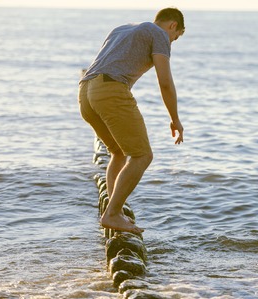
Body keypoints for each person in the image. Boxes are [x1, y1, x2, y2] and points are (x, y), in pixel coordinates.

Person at [78, 8, 185, 234]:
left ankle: (112, 209)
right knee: (142, 155)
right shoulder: (158, 34)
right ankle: (113, 214)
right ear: (173, 26)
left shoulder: (121, 29)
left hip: (86, 91)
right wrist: (175, 119)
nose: (172, 42)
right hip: (110, 90)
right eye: (176, 38)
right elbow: (165, 82)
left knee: (117, 152)